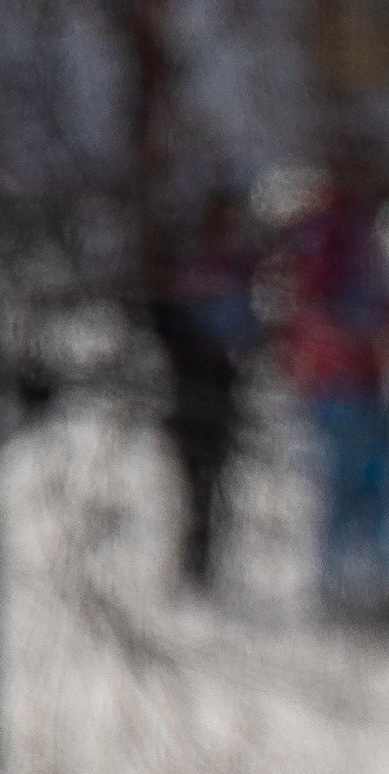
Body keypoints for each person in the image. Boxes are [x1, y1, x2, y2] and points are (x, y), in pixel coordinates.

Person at [274, 148, 389, 624]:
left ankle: (373, 590)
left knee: (370, 490)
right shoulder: (331, 239)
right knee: (348, 489)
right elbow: (321, 312)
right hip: (338, 385)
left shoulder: (353, 237)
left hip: (360, 383)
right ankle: (345, 591)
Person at [149, 188, 259, 589]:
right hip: (190, 383)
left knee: (216, 474)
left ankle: (210, 557)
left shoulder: (241, 265)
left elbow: (248, 327)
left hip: (224, 383)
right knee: (191, 475)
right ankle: (190, 556)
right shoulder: (191, 266)